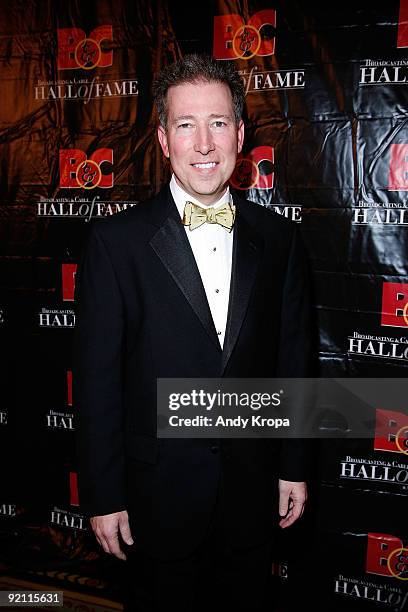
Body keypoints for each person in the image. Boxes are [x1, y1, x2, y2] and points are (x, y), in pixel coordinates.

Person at [73, 53, 312, 611]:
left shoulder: (280, 241)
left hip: (252, 498)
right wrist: (104, 495)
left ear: (241, 135)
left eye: (218, 123)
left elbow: (293, 359)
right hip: (155, 503)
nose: (204, 144)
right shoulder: (115, 245)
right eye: (186, 125)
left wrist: (294, 465)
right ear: (163, 140)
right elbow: (97, 383)